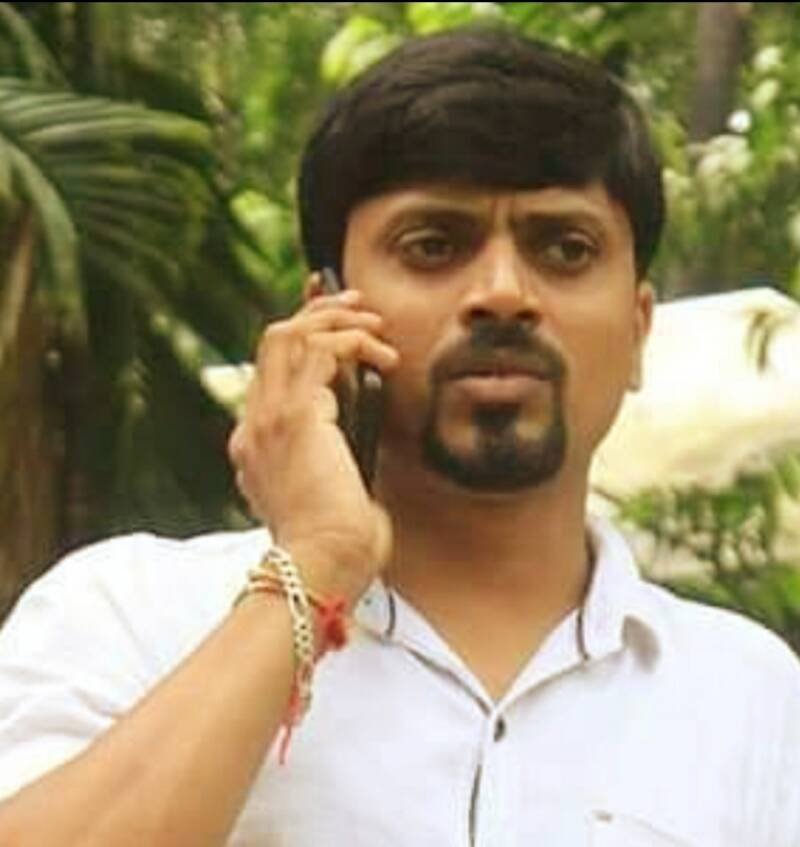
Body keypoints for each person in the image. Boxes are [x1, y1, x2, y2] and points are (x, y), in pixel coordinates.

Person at [0, 26, 799, 847]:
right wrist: (317, 563)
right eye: (433, 246)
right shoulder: (132, 615)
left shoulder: (751, 698)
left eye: (566, 248)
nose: (503, 293)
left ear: (637, 330)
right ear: (325, 314)